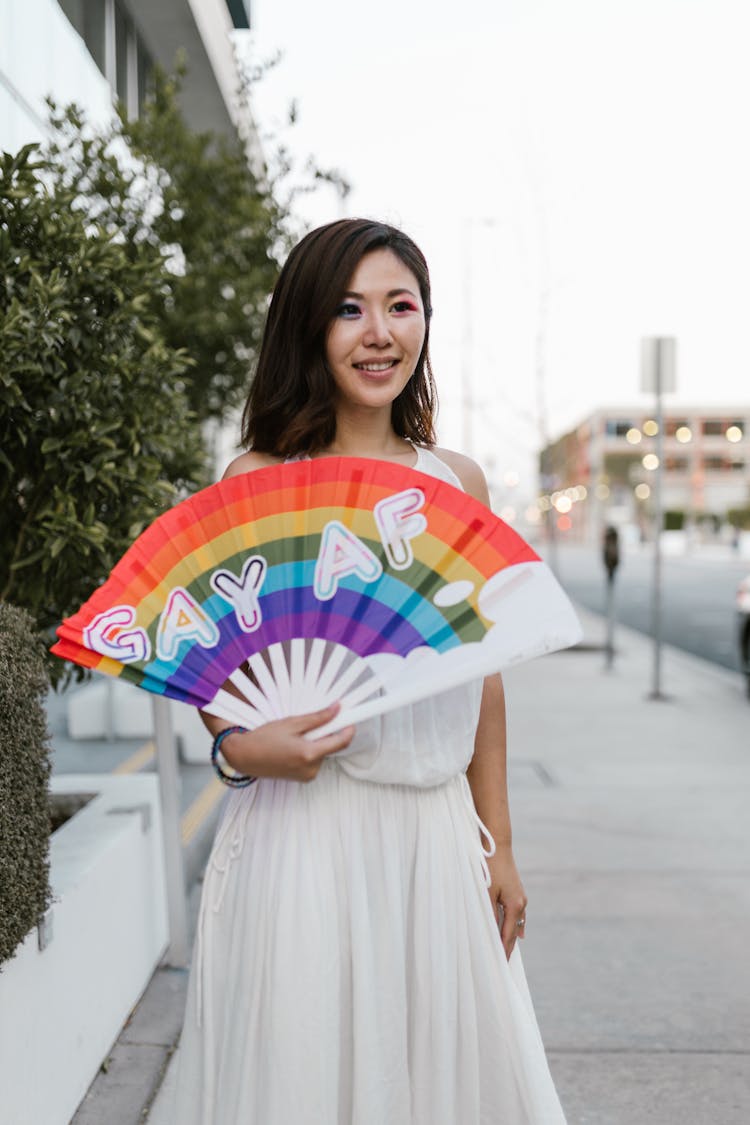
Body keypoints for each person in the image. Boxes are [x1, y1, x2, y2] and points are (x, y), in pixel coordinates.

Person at [172, 218, 566, 1123]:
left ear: (425, 323)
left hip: (434, 839)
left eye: (400, 306)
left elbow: (486, 674)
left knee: (442, 1085)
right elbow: (213, 656)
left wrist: (498, 843)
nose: (379, 332)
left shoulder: (454, 479)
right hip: (301, 839)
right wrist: (241, 745)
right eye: (350, 309)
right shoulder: (262, 475)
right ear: (310, 325)